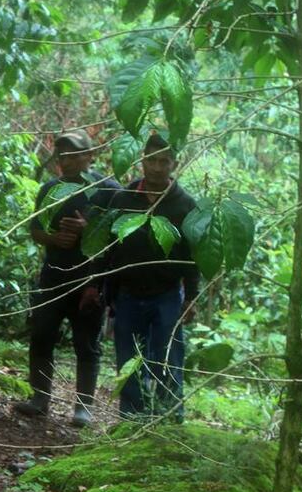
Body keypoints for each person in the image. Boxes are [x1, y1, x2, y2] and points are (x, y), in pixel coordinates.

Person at [14, 129, 119, 426]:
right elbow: (35, 230)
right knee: (41, 334)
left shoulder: (108, 189)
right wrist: (55, 238)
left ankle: (83, 407)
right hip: (54, 276)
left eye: (75, 155)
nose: (68, 161)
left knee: (87, 343)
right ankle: (39, 398)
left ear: (90, 156)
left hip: (91, 279)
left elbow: (121, 236)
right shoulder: (50, 188)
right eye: (63, 155)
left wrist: (90, 229)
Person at [106, 133, 198, 417]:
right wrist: (107, 297)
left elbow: (192, 256)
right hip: (128, 294)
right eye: (151, 160)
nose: (157, 167)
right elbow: (110, 251)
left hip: (167, 294)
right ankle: (131, 417)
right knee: (128, 358)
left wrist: (192, 297)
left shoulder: (185, 205)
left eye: (164, 161)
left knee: (168, 356)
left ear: (174, 164)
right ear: (142, 161)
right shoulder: (123, 199)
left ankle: (170, 416)